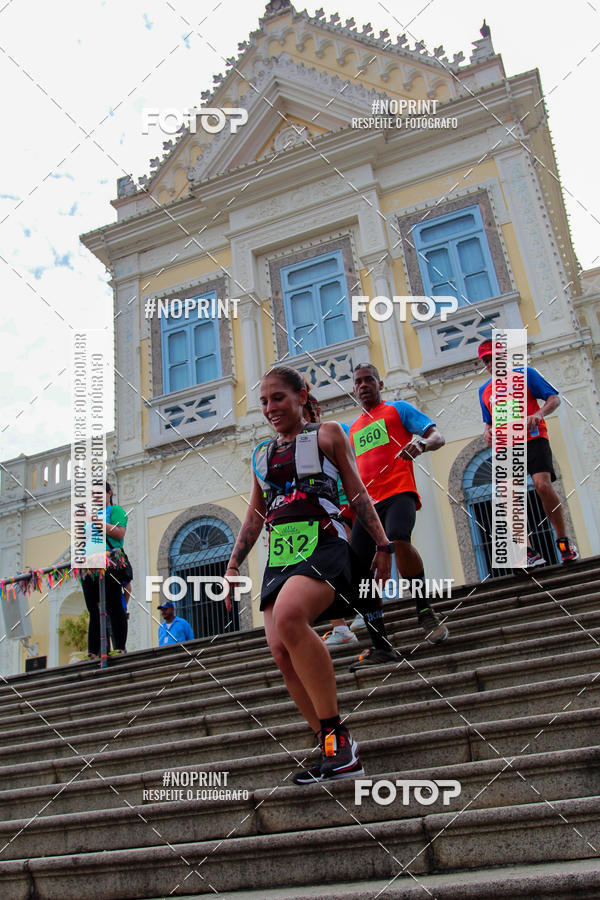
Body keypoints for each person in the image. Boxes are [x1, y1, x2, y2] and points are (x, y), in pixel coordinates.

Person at [224, 365, 393, 784]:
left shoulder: (329, 434)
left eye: (277, 398)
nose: (269, 408)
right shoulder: (262, 454)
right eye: (263, 401)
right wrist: (232, 564)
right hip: (280, 557)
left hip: (324, 542)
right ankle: (335, 748)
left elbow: (356, 492)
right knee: (281, 652)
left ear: (302, 396)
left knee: (289, 616)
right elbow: (255, 514)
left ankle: (338, 740)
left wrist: (384, 544)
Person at [347, 363, 449, 670]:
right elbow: (350, 473)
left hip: (399, 492)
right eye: (358, 382)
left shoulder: (398, 409)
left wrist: (421, 445)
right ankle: (380, 645)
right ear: (354, 389)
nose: (364, 385)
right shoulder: (352, 430)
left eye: (369, 380)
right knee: (357, 570)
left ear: (379, 383)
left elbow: (437, 436)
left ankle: (424, 610)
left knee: (399, 539)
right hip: (367, 505)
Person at [478, 339, 579, 564]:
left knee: (542, 485)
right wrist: (487, 432)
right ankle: (528, 551)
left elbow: (554, 399)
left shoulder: (526, 374)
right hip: (506, 445)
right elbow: (489, 421)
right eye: (486, 360)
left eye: (493, 357)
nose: (490, 363)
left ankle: (563, 542)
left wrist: (538, 414)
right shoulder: (484, 390)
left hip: (533, 438)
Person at [80, 481, 129, 659]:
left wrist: (96, 521)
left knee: (114, 604)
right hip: (89, 566)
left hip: (110, 563)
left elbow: (119, 533)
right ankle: (95, 650)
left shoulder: (116, 511)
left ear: (110, 493)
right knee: (94, 609)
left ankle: (119, 647)